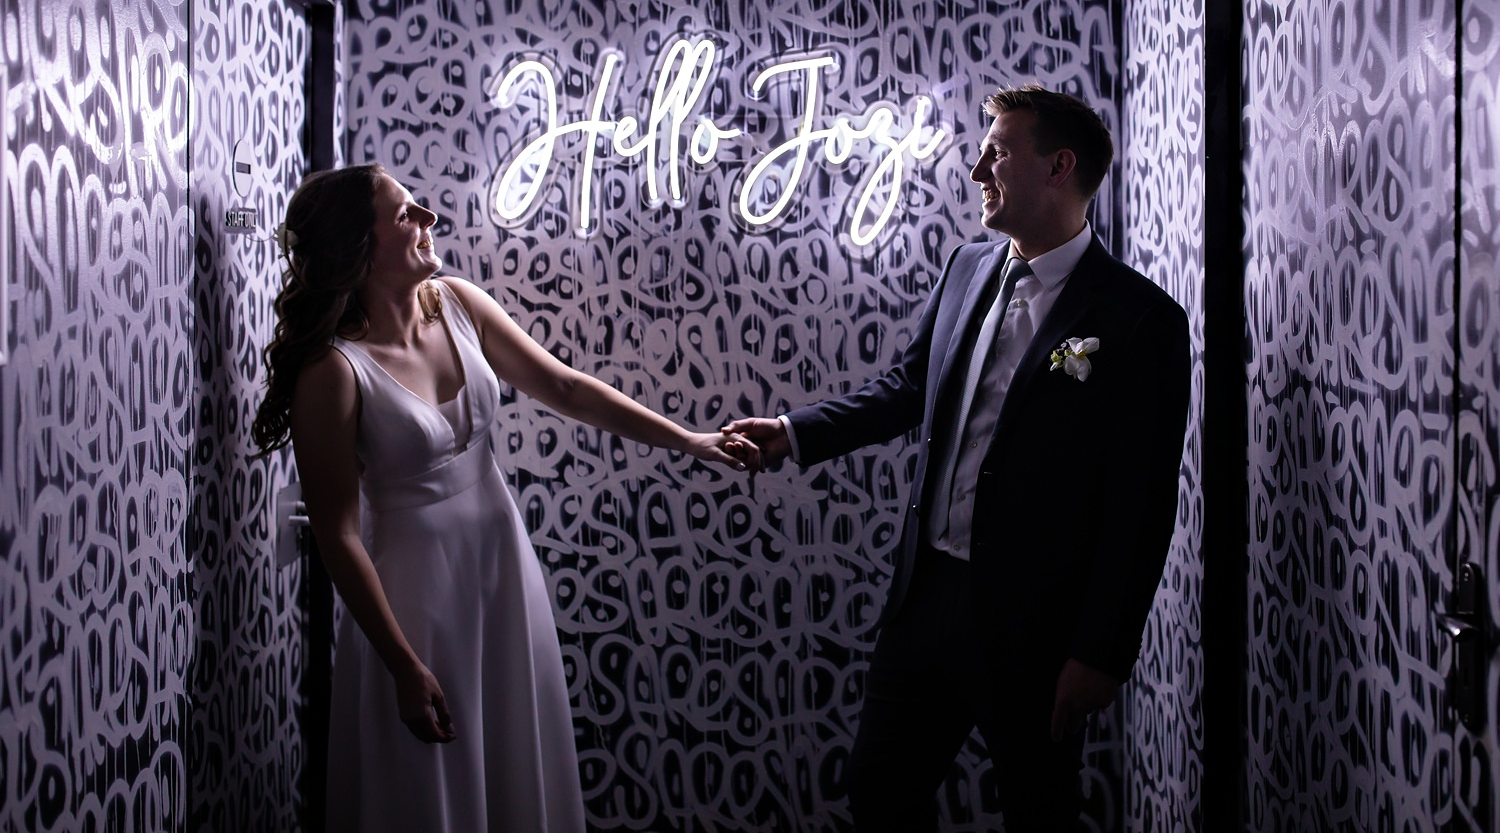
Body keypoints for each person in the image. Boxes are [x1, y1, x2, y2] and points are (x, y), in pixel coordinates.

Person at [725, 85, 1191, 832]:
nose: (978, 170)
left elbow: (1142, 504)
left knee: (1039, 814)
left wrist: (1102, 651)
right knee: (878, 798)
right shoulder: (969, 268)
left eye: (999, 152)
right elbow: (910, 388)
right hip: (927, 598)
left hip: (1039, 626)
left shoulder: (1140, 321)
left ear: (1058, 167)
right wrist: (794, 431)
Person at [250, 163, 754, 832]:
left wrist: (690, 441)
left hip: (501, 572)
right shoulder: (333, 372)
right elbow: (339, 534)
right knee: (430, 787)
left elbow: (568, 389)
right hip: (414, 600)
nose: (428, 219)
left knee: (515, 757)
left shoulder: (458, 304)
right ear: (358, 247)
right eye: (406, 213)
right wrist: (401, 664)